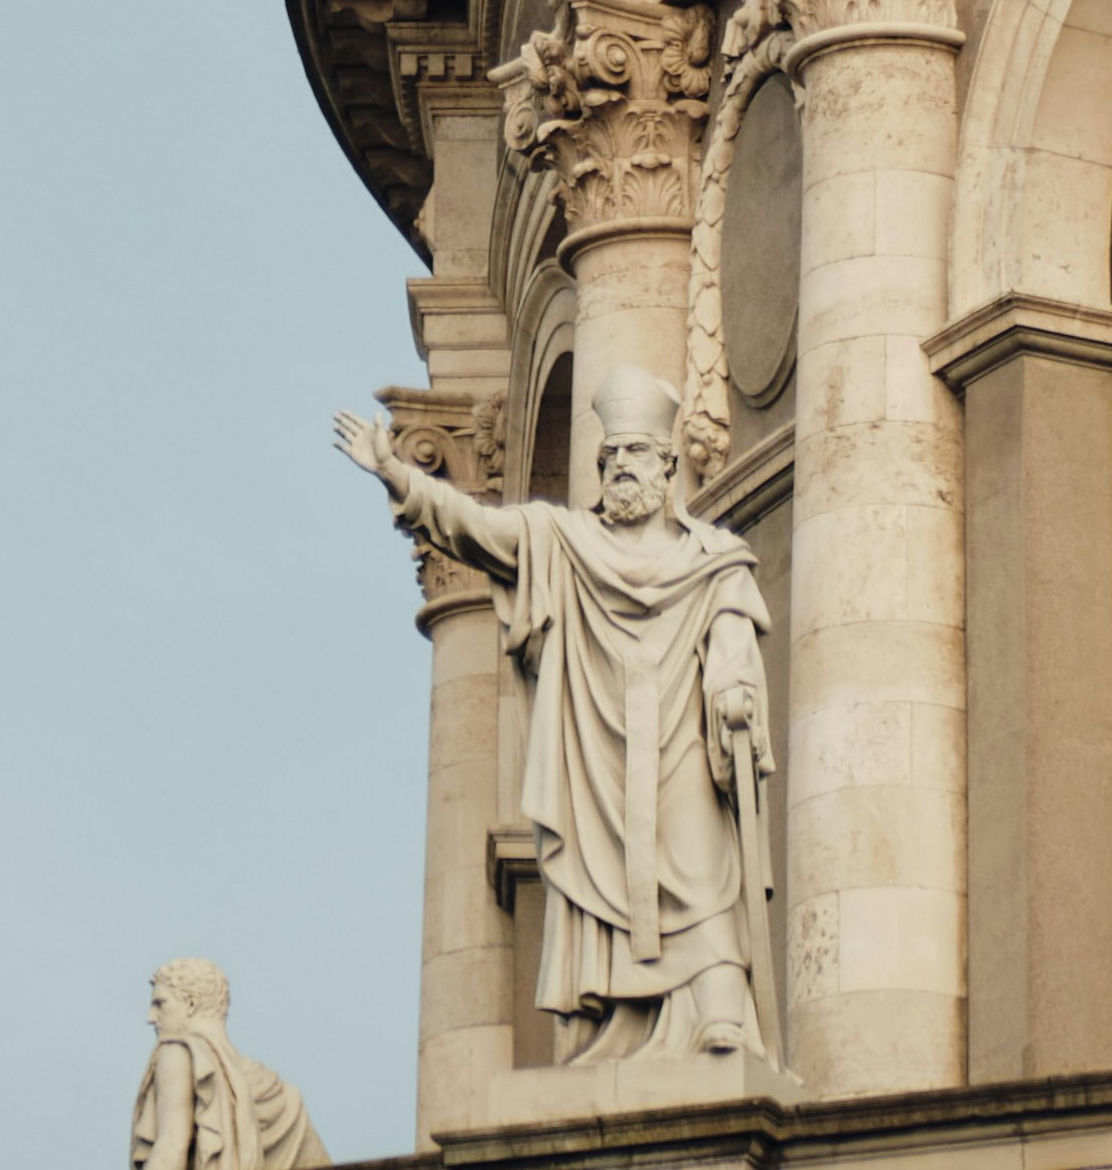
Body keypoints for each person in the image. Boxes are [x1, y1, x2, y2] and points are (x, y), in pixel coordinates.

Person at [334, 372, 779, 1071]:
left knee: (699, 865)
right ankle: (622, 1028)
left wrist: (733, 690)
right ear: (600, 471)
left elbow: (730, 639)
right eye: (613, 455)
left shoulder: (713, 560)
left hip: (680, 744)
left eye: (638, 451)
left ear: (669, 466)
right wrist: (397, 473)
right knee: (600, 883)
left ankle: (716, 1004)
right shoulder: (560, 538)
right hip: (593, 751)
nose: (624, 465)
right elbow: (473, 528)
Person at [130, 957, 329, 1170]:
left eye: (160, 1004)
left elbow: (171, 1147)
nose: (151, 1018)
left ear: (190, 1004)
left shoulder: (179, 1053)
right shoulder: (285, 1097)